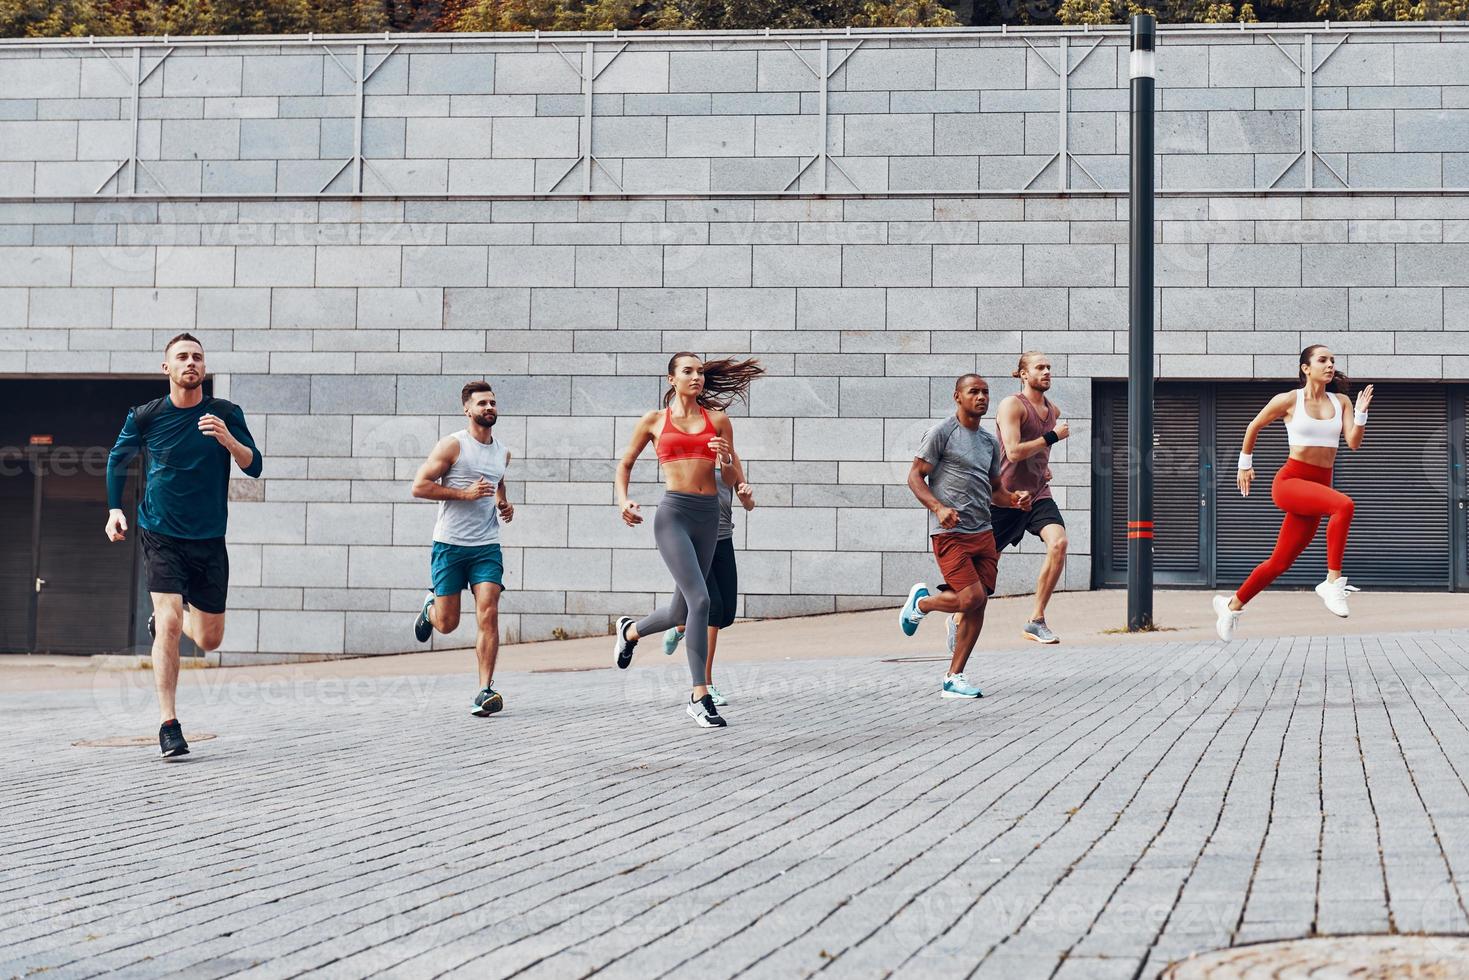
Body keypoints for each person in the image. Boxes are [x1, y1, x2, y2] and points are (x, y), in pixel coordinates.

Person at [104, 333, 263, 760]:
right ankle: (169, 724)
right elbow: (116, 461)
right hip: (161, 533)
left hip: (209, 539)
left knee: (209, 640)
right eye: (181, 357)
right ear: (167, 368)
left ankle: (165, 623)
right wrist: (115, 509)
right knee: (171, 619)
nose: (190, 362)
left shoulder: (226, 413)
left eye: (197, 357)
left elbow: (255, 465)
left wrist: (228, 439)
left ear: (203, 369)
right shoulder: (145, 416)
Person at [612, 352, 763, 729]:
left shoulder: (719, 421)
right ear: (671, 379)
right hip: (673, 516)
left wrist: (729, 463)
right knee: (701, 600)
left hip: (709, 517)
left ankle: (630, 632)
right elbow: (625, 464)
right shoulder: (654, 421)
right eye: (688, 371)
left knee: (681, 612)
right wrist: (623, 500)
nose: (696, 377)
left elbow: (733, 479)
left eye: (699, 371)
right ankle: (699, 694)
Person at [1213, 345, 1374, 641]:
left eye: (1332, 361)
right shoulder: (1290, 399)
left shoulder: (1341, 402)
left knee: (1279, 563)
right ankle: (1332, 582)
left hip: (1318, 487)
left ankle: (1231, 605)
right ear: (1305, 368)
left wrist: (1361, 415)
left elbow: (1353, 443)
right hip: (1290, 483)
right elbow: (1254, 425)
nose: (1329, 365)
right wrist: (1244, 465)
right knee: (1344, 506)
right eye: (1322, 360)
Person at [898, 374, 1032, 699]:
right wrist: (938, 507)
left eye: (985, 392)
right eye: (974, 391)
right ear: (957, 396)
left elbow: (996, 491)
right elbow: (915, 476)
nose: (982, 397)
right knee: (971, 598)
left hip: (983, 531)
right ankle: (923, 603)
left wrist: (1014, 499)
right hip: (949, 532)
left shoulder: (988, 442)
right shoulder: (942, 433)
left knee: (978, 604)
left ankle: (953, 678)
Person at [411, 381, 514, 717]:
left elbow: (497, 480)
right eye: (482, 403)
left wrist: (503, 502)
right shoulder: (452, 446)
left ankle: (484, 690)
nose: (489, 408)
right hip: (450, 545)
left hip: (486, 546)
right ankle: (430, 610)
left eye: (493, 403)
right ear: (467, 409)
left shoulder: (503, 452)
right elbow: (419, 487)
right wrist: (463, 494)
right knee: (448, 624)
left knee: (489, 610)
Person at [661, 452, 756, 707]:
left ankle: (681, 625)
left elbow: (747, 502)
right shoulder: (691, 455)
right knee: (712, 609)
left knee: (726, 614)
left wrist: (746, 497)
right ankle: (705, 684)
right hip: (696, 542)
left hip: (724, 538)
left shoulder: (730, 456)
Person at [993, 351, 1070, 645]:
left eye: (1049, 367)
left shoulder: (1053, 411)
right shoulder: (1012, 405)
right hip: (1005, 497)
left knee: (1059, 543)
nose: (1047, 371)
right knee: (986, 571)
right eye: (1040, 367)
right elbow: (1012, 451)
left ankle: (1036, 619)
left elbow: (1034, 450)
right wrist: (1052, 438)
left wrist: (1044, 465)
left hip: (1038, 494)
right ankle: (958, 617)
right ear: (1024, 374)